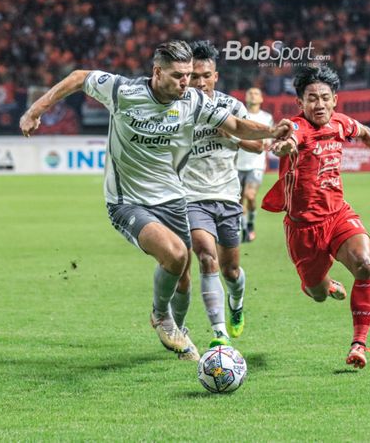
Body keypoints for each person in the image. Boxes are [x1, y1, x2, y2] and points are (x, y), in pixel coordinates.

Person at [19, 40, 292, 358]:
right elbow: (80, 76)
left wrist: (272, 133)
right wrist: (35, 111)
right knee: (176, 255)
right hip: (128, 200)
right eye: (178, 75)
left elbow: (235, 125)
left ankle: (179, 328)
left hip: (174, 199)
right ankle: (161, 315)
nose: (186, 82)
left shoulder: (193, 101)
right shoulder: (123, 91)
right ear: (157, 72)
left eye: (188, 74)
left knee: (184, 278)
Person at [263, 66, 370, 369]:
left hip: (338, 215)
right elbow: (289, 140)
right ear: (300, 104)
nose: (318, 104)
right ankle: (323, 283)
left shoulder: (341, 124)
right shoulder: (298, 126)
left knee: (365, 265)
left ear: (335, 101)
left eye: (324, 98)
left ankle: (359, 343)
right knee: (317, 294)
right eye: (311, 99)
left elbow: (367, 133)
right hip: (303, 229)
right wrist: (282, 146)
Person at [177, 41, 264, 355]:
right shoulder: (179, 107)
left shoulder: (232, 107)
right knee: (204, 255)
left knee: (231, 271)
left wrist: (233, 134)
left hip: (227, 197)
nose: (200, 82)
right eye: (195, 75)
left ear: (216, 76)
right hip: (192, 195)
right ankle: (219, 334)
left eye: (206, 75)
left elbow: (258, 146)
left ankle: (236, 302)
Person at [236, 87, 273, 243]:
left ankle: (250, 224)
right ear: (245, 97)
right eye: (250, 93)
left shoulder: (266, 117)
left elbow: (268, 140)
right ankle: (244, 228)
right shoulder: (239, 114)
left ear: (261, 99)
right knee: (238, 201)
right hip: (236, 164)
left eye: (256, 93)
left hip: (255, 164)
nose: (252, 95)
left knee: (250, 196)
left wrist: (259, 140)